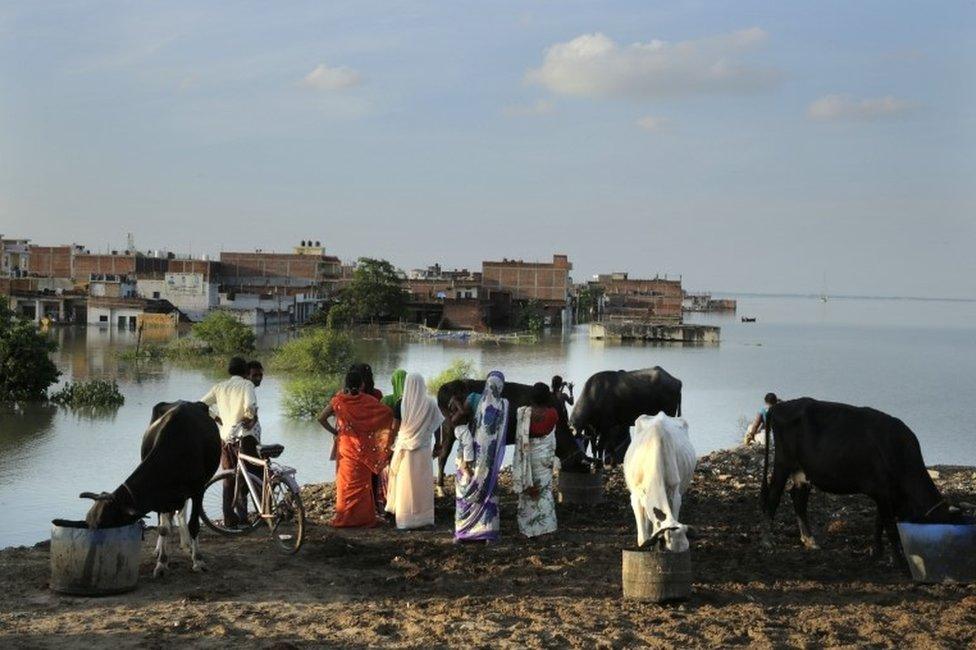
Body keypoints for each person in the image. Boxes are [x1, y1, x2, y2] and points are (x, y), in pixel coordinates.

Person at [317, 370, 394, 528]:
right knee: (362, 484)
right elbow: (387, 413)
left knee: (345, 484)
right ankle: (364, 518)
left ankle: (345, 516)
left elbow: (321, 418)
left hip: (345, 446)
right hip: (363, 449)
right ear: (362, 384)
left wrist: (336, 432)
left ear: (345, 384)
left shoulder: (338, 401)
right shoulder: (368, 400)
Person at [200, 356, 259, 527]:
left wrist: (216, 417)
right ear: (247, 372)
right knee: (247, 476)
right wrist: (248, 417)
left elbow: (201, 403)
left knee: (229, 477)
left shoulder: (219, 387)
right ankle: (243, 517)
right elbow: (250, 406)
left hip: (225, 438)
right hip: (245, 437)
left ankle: (228, 518)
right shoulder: (247, 385)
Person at [454, 371, 509, 543]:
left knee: (465, 488)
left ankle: (463, 532)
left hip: (469, 454)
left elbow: (457, 419)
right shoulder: (504, 405)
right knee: (487, 491)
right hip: (488, 461)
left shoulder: (474, 399)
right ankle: (487, 533)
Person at [386, 373, 443, 529]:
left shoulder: (401, 404)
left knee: (405, 485)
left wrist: (389, 446)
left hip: (405, 451)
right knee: (422, 484)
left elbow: (395, 428)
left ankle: (405, 520)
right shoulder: (430, 403)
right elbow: (438, 425)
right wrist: (438, 443)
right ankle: (424, 519)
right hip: (423, 449)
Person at [512, 382, 559, 538]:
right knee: (544, 492)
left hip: (528, 459)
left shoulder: (523, 413)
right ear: (547, 397)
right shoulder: (552, 414)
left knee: (527, 491)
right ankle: (546, 529)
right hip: (544, 459)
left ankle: (527, 529)